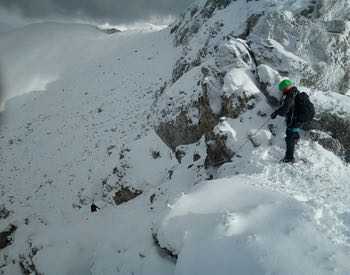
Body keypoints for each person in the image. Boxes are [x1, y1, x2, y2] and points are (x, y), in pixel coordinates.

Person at [270, 79, 304, 163]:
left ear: (285, 88)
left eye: (282, 89)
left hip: (295, 120)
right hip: (299, 118)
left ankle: (289, 158)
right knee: (293, 132)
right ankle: (296, 139)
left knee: (289, 137)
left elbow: (284, 111)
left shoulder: (290, 96)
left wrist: (276, 113)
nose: (282, 91)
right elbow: (288, 106)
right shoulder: (295, 92)